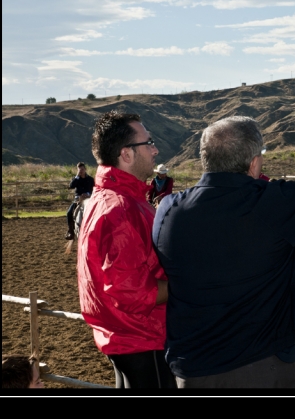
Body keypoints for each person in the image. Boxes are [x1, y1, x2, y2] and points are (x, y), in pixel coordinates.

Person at [152, 102, 295, 388]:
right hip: (261, 364)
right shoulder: (268, 204)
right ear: (253, 163)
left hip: (193, 368)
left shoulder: (168, 210)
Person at [76, 110, 176, 389]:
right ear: (127, 154)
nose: (155, 150)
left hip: (124, 336)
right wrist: (185, 282)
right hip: (143, 337)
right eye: (149, 142)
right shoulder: (121, 208)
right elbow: (132, 291)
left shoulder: (109, 199)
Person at [65, 162, 94, 240]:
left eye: (82, 169)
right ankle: (71, 231)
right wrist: (77, 176)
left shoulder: (91, 179)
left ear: (85, 169)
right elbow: (71, 186)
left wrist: (89, 194)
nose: (81, 171)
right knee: (69, 213)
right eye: (79, 169)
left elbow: (95, 189)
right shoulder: (76, 179)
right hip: (78, 200)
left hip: (89, 199)